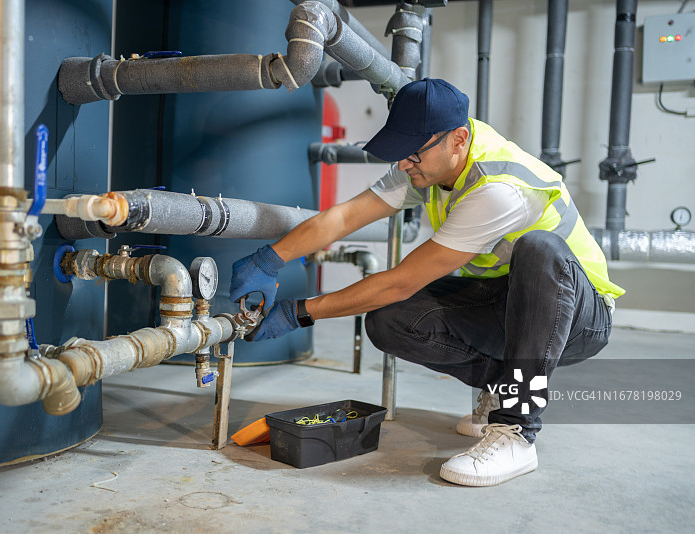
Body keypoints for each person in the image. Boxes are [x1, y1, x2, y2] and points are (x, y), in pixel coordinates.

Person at [229, 78, 624, 486]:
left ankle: (516, 432)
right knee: (388, 319)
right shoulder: (426, 166)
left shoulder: (499, 189)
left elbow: (399, 282)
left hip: (577, 315)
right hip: (508, 301)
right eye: (401, 152)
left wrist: (300, 313)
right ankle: (504, 386)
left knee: (540, 249)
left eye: (413, 153)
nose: (404, 164)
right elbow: (345, 217)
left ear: (458, 139)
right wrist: (270, 258)